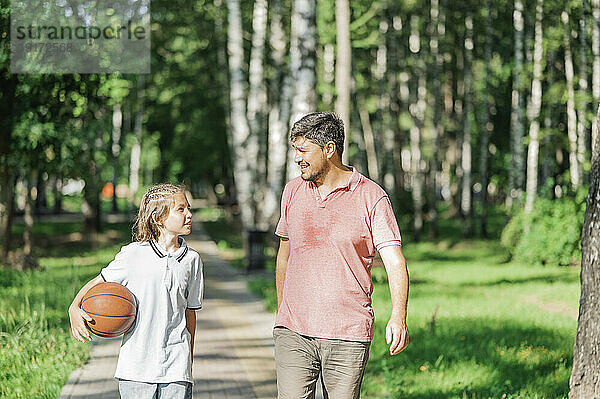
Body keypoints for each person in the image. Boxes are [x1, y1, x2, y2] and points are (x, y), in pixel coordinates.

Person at [274, 112, 409, 399]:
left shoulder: (371, 197)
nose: (297, 159)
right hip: (293, 332)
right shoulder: (293, 191)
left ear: (329, 149)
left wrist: (398, 316)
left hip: (346, 333)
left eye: (303, 150)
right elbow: (284, 254)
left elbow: (395, 261)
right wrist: (281, 312)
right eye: (295, 151)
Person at [68, 183, 203, 399]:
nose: (189, 214)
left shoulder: (192, 260)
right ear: (159, 218)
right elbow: (97, 282)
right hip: (136, 368)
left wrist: (188, 361)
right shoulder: (133, 255)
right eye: (181, 209)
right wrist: (74, 307)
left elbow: (190, 313)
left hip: (176, 368)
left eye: (188, 208)